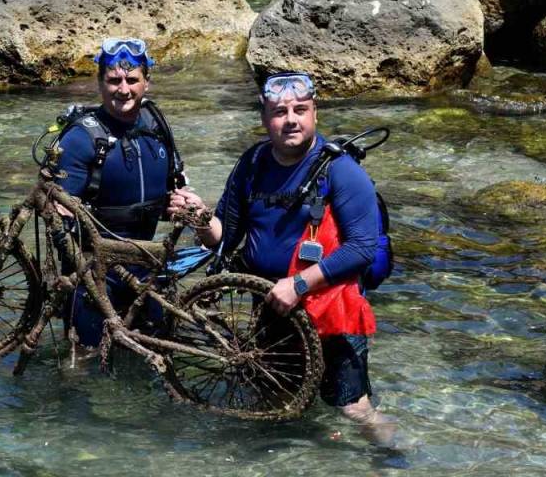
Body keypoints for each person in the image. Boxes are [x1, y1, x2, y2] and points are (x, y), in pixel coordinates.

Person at [168, 71, 396, 445]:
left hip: (332, 310)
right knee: (274, 399)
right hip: (271, 306)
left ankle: (395, 461)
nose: (291, 119)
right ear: (264, 119)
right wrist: (200, 217)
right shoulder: (252, 164)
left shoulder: (341, 172)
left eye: (300, 109)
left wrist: (299, 284)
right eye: (279, 111)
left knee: (354, 409)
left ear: (315, 114)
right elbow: (224, 237)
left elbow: (361, 248)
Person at [53, 38, 186, 348]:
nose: (123, 89)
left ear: (147, 83)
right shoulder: (81, 137)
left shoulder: (156, 126)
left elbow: (173, 188)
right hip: (96, 275)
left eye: (132, 80)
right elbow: (57, 215)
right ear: (100, 83)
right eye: (114, 80)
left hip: (146, 264)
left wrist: (181, 203)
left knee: (157, 355)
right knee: (88, 362)